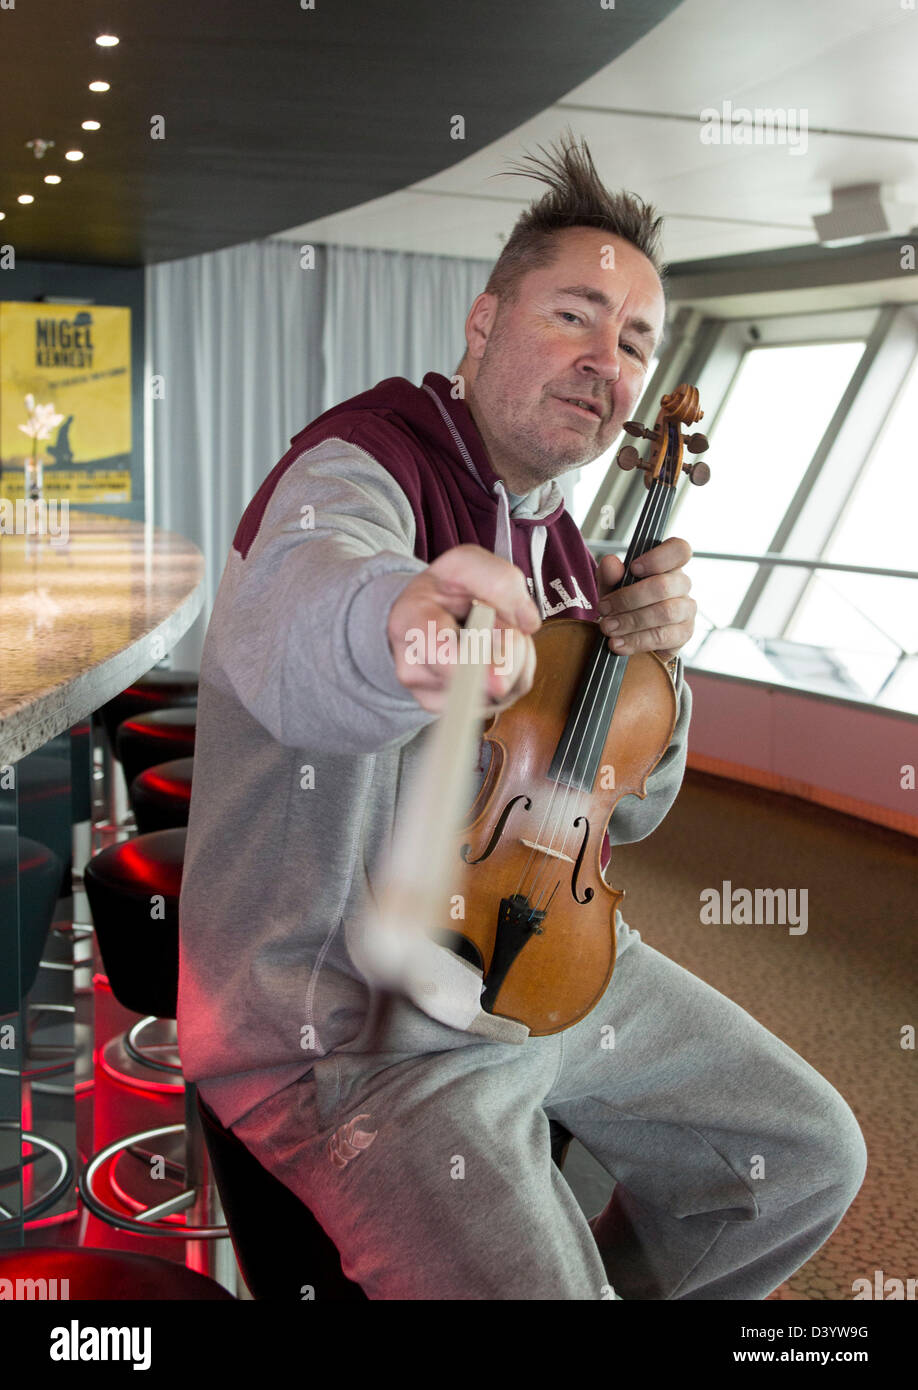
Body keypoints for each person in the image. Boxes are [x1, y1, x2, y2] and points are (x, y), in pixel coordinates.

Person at [177, 134, 866, 1300]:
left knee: (805, 1158)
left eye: (636, 341)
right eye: (575, 315)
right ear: (483, 322)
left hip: (553, 969)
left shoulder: (564, 548)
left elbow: (629, 814)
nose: (608, 360)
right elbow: (304, 612)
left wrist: (655, 671)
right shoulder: (359, 469)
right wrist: (409, 619)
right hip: (357, 1026)